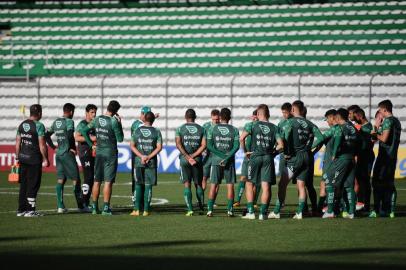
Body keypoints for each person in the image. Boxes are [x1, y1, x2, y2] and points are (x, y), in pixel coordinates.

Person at [269, 101, 319, 219]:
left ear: (292, 110)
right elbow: (321, 137)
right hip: (306, 156)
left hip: (294, 156)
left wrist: (285, 151)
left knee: (282, 184)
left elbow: (285, 137)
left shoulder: (290, 123)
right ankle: (301, 212)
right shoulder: (309, 123)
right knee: (301, 185)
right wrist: (309, 148)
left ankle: (276, 211)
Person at [80, 100, 124, 215]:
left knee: (97, 180)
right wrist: (120, 123)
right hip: (110, 154)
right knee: (108, 182)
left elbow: (84, 131)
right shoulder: (114, 122)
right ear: (116, 112)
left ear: (107, 107)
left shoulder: (97, 119)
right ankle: (105, 208)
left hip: (99, 153)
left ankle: (94, 208)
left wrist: (91, 145)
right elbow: (120, 139)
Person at [240, 104, 283, 220]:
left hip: (255, 156)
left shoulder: (252, 125)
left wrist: (245, 152)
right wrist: (273, 153)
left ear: (258, 114)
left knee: (249, 183)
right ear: (268, 114)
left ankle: (251, 212)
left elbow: (241, 138)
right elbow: (281, 145)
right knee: (266, 186)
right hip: (268, 158)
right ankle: (263, 214)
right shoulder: (275, 128)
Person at [46, 103, 84, 213]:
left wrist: (54, 147)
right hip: (67, 153)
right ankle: (81, 206)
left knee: (61, 179)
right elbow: (69, 135)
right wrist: (72, 148)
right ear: (71, 112)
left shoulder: (56, 122)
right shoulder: (69, 122)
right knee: (76, 178)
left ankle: (60, 206)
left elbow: (46, 135)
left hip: (58, 154)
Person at [322, 108, 360, 219]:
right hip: (352, 159)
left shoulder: (341, 128)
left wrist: (334, 153)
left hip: (342, 159)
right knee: (349, 186)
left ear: (338, 118)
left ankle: (330, 211)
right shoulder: (353, 128)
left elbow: (338, 141)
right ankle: (351, 212)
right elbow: (361, 143)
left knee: (329, 183)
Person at [15, 104, 49, 217]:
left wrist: (17, 157)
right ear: (39, 113)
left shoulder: (22, 124)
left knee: (24, 184)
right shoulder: (39, 126)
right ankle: (30, 210)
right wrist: (45, 159)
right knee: (33, 184)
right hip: (34, 159)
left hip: (23, 158)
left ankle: (21, 210)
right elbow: (42, 145)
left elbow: (17, 143)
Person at [370, 100, 401, 218]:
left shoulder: (388, 121)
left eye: (380, 110)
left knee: (377, 182)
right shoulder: (397, 121)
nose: (379, 113)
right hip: (392, 156)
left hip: (385, 157)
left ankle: (378, 209)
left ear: (384, 110)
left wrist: (376, 127)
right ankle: (389, 210)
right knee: (389, 183)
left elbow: (384, 139)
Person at [206, 108, 239, 217]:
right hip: (229, 161)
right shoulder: (234, 130)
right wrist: (227, 156)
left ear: (220, 117)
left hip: (216, 160)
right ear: (229, 118)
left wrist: (220, 156)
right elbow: (237, 146)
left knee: (213, 185)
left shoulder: (212, 129)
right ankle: (230, 210)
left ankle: (210, 210)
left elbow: (209, 146)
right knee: (230, 186)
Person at [130, 112, 163, 216]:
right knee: (148, 185)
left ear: (144, 119)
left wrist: (141, 156)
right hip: (151, 162)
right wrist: (148, 156)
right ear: (153, 120)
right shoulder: (157, 131)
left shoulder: (137, 130)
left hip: (139, 162)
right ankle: (146, 210)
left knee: (138, 184)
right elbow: (159, 147)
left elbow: (132, 146)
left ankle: (136, 210)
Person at [175, 109, 206, 216]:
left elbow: (178, 144)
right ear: (195, 117)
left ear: (185, 117)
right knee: (198, 184)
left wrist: (188, 157)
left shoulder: (180, 129)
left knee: (187, 184)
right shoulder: (202, 129)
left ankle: (190, 209)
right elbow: (204, 145)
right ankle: (201, 206)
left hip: (184, 159)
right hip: (197, 159)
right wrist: (193, 156)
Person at [314, 109, 338, 214]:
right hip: (333, 162)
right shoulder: (341, 129)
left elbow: (320, 140)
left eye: (327, 119)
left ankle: (322, 209)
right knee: (333, 186)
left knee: (326, 186)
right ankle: (330, 208)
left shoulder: (333, 130)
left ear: (332, 117)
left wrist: (307, 149)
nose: (327, 122)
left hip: (330, 163)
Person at [74, 104, 97, 209]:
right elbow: (77, 137)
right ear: (86, 113)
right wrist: (91, 139)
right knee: (88, 177)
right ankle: (83, 203)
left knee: (91, 177)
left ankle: (86, 202)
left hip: (93, 153)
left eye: (95, 112)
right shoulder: (82, 124)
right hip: (85, 153)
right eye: (92, 112)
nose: (94, 114)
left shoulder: (94, 124)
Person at [233, 109, 258, 208]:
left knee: (256, 181)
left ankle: (254, 201)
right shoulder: (248, 125)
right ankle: (238, 200)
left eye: (257, 116)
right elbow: (242, 138)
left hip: (257, 156)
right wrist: (245, 152)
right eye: (254, 116)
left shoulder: (261, 127)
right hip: (247, 156)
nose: (255, 118)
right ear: (252, 117)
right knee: (243, 178)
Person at [353, 107, 375, 212]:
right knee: (359, 181)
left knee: (365, 181)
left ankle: (366, 205)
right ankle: (360, 203)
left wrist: (358, 130)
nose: (353, 118)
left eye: (355, 116)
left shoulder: (367, 127)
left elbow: (368, 142)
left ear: (360, 116)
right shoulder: (361, 126)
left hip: (367, 157)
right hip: (361, 157)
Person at [202, 109, 220, 192]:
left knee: (216, 181)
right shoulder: (206, 126)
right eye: (214, 119)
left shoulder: (222, 127)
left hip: (217, 156)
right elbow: (201, 138)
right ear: (211, 117)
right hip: (208, 155)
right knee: (204, 177)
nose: (216, 121)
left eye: (217, 119)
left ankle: (213, 201)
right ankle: (200, 201)